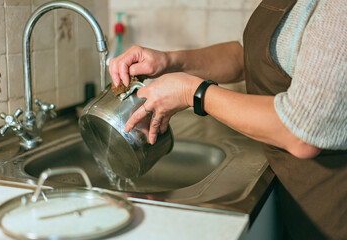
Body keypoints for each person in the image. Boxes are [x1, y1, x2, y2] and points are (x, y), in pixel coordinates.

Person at [109, 0, 347, 239]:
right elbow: (246, 57)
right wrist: (170, 61)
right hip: (298, 199)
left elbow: (302, 132)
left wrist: (191, 92)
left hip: (334, 211)